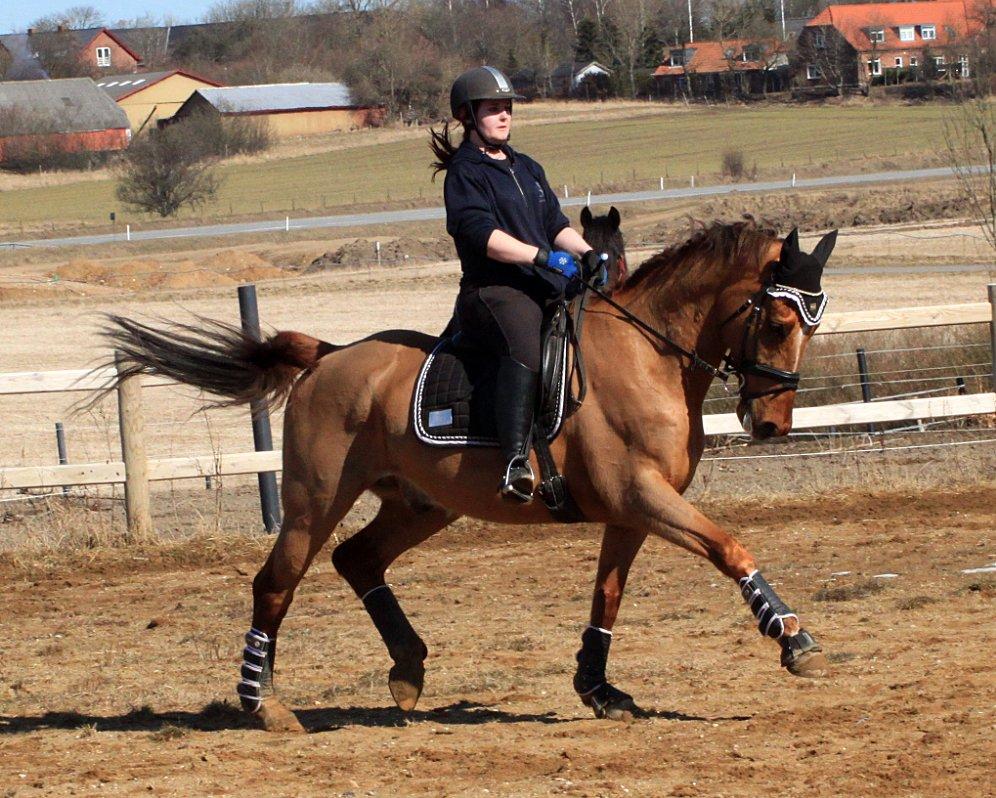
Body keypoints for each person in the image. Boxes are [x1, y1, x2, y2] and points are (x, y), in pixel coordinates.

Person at [429, 66, 604, 504]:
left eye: (507, 107)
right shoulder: (464, 174)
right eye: (493, 109)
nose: (504, 115)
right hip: (493, 291)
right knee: (525, 345)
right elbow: (481, 236)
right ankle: (514, 462)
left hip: (539, 282)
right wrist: (540, 256)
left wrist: (586, 253)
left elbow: (555, 225)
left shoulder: (526, 167)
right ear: (468, 116)